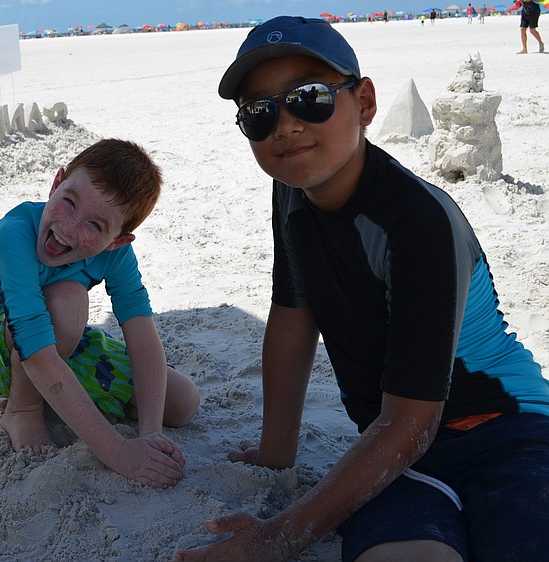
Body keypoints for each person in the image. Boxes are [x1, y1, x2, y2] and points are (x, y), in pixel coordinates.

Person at [174, 15, 549, 561]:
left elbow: (412, 420)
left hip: (505, 434)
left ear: (365, 103)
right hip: (390, 452)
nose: (286, 125)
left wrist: (276, 538)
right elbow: (292, 315)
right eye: (259, 113)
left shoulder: (415, 221)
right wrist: (276, 455)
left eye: (310, 97)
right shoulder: (293, 193)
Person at [0, 139, 200, 489]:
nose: (69, 227)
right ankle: (22, 409)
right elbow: (37, 353)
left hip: (61, 344)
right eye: (68, 202)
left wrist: (150, 436)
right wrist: (120, 453)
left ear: (116, 241)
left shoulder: (115, 255)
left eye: (96, 226)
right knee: (68, 301)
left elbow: (143, 339)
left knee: (182, 401)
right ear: (56, 184)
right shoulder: (14, 234)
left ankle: (54, 400)